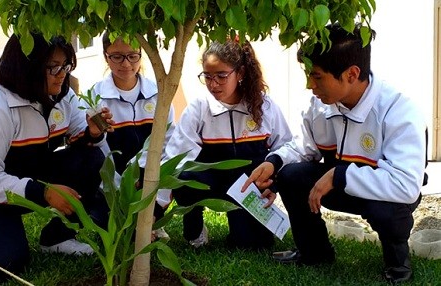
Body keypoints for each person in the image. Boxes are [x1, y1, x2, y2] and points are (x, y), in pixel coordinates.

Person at [242, 23, 427, 284]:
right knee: (291, 175)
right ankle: (314, 252)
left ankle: (398, 265)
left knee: (386, 210)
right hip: (339, 185)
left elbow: (406, 185)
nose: (309, 85)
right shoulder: (321, 105)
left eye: (317, 76)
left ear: (352, 74)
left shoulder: (399, 111)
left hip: (387, 194)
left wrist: (338, 176)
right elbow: (303, 147)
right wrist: (273, 162)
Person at [0, 33, 115, 282]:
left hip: (23, 173)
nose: (62, 74)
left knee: (90, 158)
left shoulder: (62, 95)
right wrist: (42, 192)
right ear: (25, 66)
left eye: (65, 65)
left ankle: (57, 238)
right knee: (5, 264)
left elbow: (83, 140)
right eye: (53, 67)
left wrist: (93, 133)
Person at [165, 39, 292, 249]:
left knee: (252, 246)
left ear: (240, 73)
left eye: (221, 76)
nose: (213, 84)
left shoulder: (264, 106)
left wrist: (273, 183)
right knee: (184, 176)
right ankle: (195, 232)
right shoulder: (199, 108)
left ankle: (245, 227)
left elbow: (286, 146)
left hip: (247, 189)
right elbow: (176, 157)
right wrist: (157, 208)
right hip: (210, 182)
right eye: (207, 76)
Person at [87, 32, 175, 239]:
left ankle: (153, 218)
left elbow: (168, 142)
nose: (126, 64)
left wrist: (144, 172)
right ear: (105, 55)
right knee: (118, 232)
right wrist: (122, 185)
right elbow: (98, 154)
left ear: (140, 55)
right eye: (116, 56)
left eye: (132, 56)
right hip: (113, 181)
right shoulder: (95, 97)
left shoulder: (158, 94)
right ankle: (123, 218)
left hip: (151, 173)